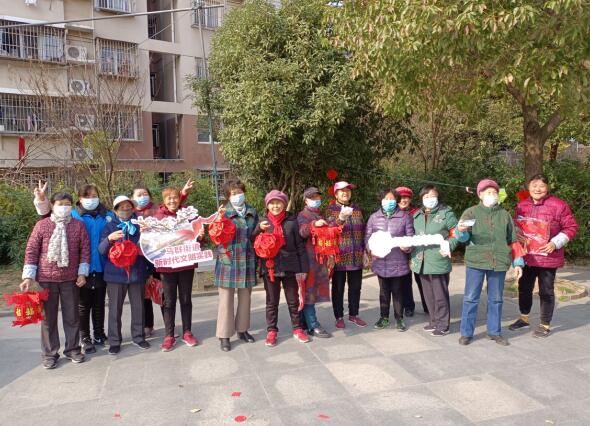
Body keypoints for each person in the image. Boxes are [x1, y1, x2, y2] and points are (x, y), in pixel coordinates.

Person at [33, 183, 115, 354]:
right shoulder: (73, 215)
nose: (91, 199)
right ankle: (84, 337)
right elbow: (49, 217)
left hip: (101, 265)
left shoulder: (107, 215)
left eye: (94, 196)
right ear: (79, 199)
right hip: (78, 269)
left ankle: (99, 334)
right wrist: (41, 200)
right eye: (87, 196)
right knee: (82, 305)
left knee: (99, 302)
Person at [20, 191, 90, 369]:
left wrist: (82, 273)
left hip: (70, 279)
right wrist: (28, 276)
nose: (64, 207)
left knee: (72, 316)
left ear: (71, 206)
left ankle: (73, 349)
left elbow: (85, 250)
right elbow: (31, 251)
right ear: (52, 205)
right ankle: (50, 354)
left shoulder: (78, 226)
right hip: (46, 279)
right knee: (48, 319)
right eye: (60, 204)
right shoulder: (42, 225)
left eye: (67, 204)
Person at [455, 179, 524, 346]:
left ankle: (494, 332)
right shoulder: (471, 212)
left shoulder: (504, 214)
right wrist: (461, 231)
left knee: (496, 299)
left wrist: (518, 262)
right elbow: (463, 238)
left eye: (495, 192)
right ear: (480, 195)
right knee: (471, 298)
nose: (492, 195)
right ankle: (466, 333)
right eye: (488, 192)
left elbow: (513, 240)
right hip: (476, 261)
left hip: (499, 262)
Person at [508, 174, 578, 337]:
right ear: (528, 187)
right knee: (524, 289)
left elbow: (571, 227)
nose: (537, 189)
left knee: (546, 291)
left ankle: (545, 324)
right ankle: (524, 318)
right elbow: (516, 225)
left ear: (547, 188)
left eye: (541, 186)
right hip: (527, 256)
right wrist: (517, 233)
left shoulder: (559, 205)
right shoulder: (522, 205)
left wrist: (555, 243)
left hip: (548, 257)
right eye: (534, 185)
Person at [133, 183, 190, 337]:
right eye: (139, 195)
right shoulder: (133, 213)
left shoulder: (158, 210)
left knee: (166, 294)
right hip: (143, 259)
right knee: (147, 295)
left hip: (163, 258)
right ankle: (149, 326)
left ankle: (172, 328)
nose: (142, 197)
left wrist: (183, 193)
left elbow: (174, 205)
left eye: (145, 194)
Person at [253, 190, 310, 347]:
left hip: (290, 266)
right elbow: (252, 241)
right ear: (267, 205)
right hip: (270, 267)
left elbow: (300, 246)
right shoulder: (263, 222)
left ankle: (297, 328)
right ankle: (272, 330)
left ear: (284, 204)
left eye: (278, 203)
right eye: (272, 203)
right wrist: (258, 229)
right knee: (272, 302)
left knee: (293, 300)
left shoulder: (292, 221)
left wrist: (303, 268)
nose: (275, 206)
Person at [98, 196, 151, 355]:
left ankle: (139, 337)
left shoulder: (139, 225)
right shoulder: (109, 227)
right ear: (115, 211)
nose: (125, 210)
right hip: (115, 275)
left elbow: (149, 248)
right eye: (121, 208)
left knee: (138, 306)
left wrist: (149, 271)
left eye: (128, 207)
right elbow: (101, 250)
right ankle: (114, 341)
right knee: (114, 309)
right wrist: (109, 239)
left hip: (137, 273)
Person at [154, 183, 203, 352]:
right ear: (164, 201)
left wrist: (199, 236)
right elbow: (152, 241)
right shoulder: (158, 217)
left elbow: (196, 237)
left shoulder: (187, 214)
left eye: (175, 197)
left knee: (186, 299)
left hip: (186, 264)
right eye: (169, 198)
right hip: (167, 267)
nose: (172, 201)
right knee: (168, 301)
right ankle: (169, 335)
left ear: (179, 199)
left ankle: (187, 332)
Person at [214, 180, 259, 352]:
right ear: (228, 196)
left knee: (245, 297)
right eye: (233, 193)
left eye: (239, 192)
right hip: (228, 259)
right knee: (226, 299)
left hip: (247, 259)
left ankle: (242, 330)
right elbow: (216, 236)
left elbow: (254, 235)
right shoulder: (223, 212)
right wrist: (218, 220)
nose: (237, 195)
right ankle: (224, 335)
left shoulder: (252, 212)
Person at [410, 185, 459, 336]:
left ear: (438, 197)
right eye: (426, 197)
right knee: (428, 295)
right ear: (421, 199)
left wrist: (448, 246)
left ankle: (443, 324)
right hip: (421, 260)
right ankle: (433, 321)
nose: (429, 199)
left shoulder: (446, 213)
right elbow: (411, 235)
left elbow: (456, 233)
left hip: (438, 258)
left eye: (432, 196)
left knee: (440, 295)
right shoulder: (417, 215)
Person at [365, 189, 415, 331]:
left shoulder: (404, 217)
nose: (389, 202)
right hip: (380, 261)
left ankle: (399, 318)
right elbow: (367, 237)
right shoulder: (374, 217)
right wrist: (370, 249)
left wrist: (407, 246)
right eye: (386, 199)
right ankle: (384, 317)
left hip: (398, 261)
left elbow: (411, 237)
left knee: (398, 291)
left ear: (396, 201)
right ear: (381, 200)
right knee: (383, 291)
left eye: (392, 199)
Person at [325, 181, 368, 329]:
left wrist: (365, 251)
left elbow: (363, 231)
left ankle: (354, 314)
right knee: (338, 289)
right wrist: (341, 218)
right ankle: (339, 316)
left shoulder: (357, 209)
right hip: (339, 257)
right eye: (342, 191)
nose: (346, 193)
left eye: (348, 190)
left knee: (355, 287)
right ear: (336, 194)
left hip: (356, 256)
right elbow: (329, 230)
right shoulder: (331, 210)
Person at [297, 187, 334, 338]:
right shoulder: (303, 215)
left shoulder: (320, 214)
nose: (316, 200)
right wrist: (313, 225)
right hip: (309, 261)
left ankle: (303, 323)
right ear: (306, 200)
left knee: (312, 292)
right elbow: (302, 232)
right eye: (312, 198)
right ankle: (313, 325)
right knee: (309, 293)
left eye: (318, 197)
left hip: (320, 260)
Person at [396, 186, 428, 317]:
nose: (403, 200)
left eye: (406, 197)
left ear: (410, 199)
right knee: (404, 281)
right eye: (400, 198)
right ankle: (408, 306)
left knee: (422, 280)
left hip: (418, 250)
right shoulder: (393, 214)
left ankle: (428, 305)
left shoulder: (418, 213)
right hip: (400, 252)